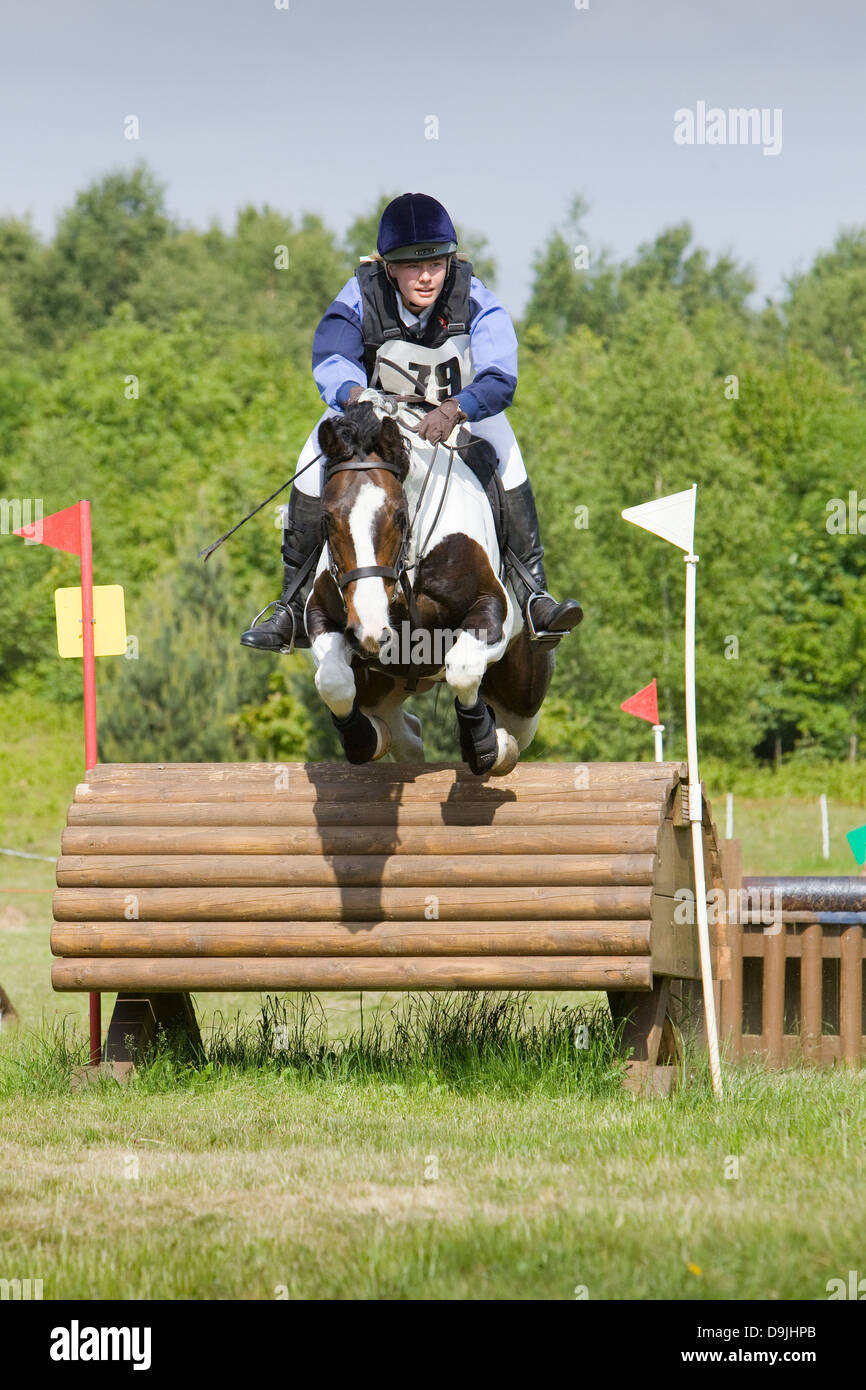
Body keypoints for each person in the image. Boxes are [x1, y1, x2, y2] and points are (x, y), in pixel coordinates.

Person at [241, 192, 582, 652]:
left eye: (436, 265)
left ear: (449, 261)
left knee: (508, 455)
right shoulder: (359, 294)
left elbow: (501, 374)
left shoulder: (474, 296)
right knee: (312, 454)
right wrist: (356, 396)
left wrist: (457, 408)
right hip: (375, 412)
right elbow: (332, 357)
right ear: (388, 268)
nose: (426, 277)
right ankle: (291, 604)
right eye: (411, 266)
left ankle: (533, 592)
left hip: (458, 410)